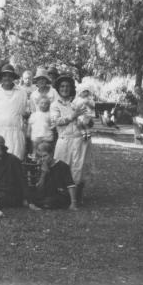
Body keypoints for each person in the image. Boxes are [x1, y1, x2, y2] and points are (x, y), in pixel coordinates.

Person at [51, 73, 93, 205]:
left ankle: (78, 197)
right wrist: (72, 116)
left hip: (80, 139)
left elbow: (89, 118)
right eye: (62, 86)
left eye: (67, 86)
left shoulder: (77, 101)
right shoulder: (55, 105)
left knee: (78, 167)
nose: (65, 88)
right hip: (64, 139)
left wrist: (88, 120)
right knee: (62, 166)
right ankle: (64, 196)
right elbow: (56, 121)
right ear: (58, 88)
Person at [0, 64, 29, 159]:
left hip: (15, 131)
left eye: (10, 75)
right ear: (1, 77)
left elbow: (24, 111)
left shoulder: (22, 92)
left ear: (13, 77)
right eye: (4, 75)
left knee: (16, 159)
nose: (7, 78)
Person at [0, 134, 29, 208]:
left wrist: (26, 199)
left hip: (11, 194)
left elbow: (22, 180)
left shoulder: (13, 160)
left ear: (3, 147)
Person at [30, 142, 78, 210]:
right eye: (41, 157)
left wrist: (73, 202)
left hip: (59, 193)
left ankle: (42, 204)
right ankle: (40, 203)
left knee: (51, 201)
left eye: (45, 156)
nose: (43, 159)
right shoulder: (42, 165)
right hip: (46, 193)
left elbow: (70, 185)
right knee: (32, 195)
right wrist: (43, 174)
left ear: (51, 154)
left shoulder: (62, 166)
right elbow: (39, 189)